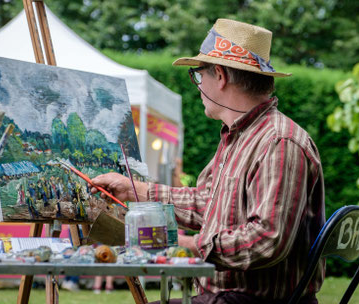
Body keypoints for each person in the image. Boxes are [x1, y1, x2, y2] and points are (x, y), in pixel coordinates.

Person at [92, 19, 325, 304]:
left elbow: (266, 239)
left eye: (198, 76)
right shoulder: (241, 137)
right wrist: (133, 191)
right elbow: (208, 205)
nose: (198, 86)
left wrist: (192, 246)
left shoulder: (278, 142)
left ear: (220, 75)